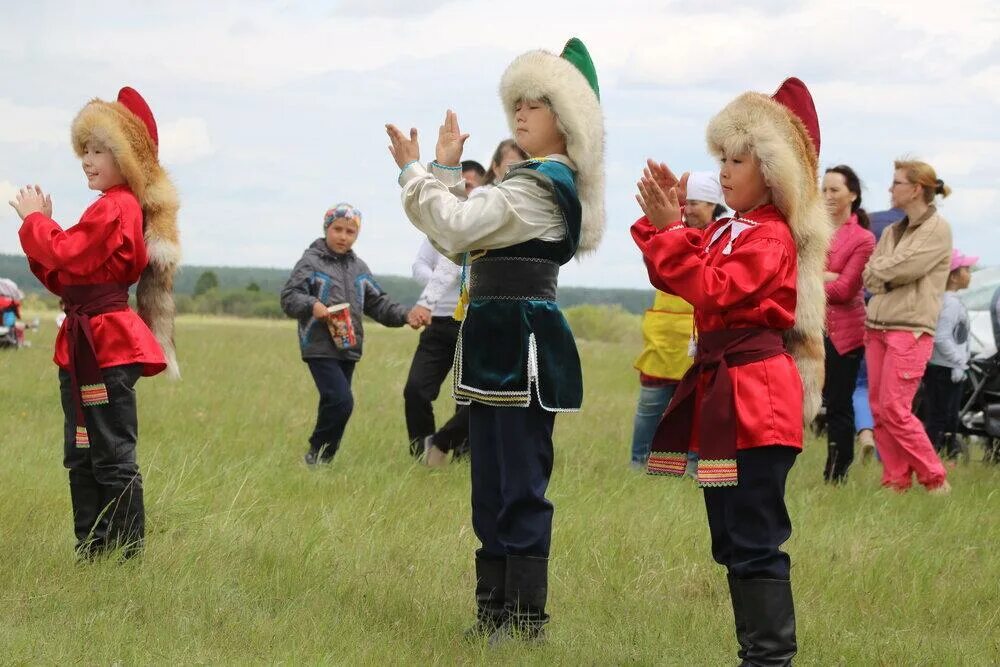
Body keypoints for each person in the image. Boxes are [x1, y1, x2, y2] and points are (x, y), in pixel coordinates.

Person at [386, 37, 604, 642]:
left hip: (522, 346)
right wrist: (449, 172)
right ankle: (493, 618)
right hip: (496, 341)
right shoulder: (529, 182)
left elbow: (456, 226)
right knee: (490, 483)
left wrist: (416, 171)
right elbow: (469, 232)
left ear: (568, 118)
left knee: (518, 485)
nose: (521, 114)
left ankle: (524, 624)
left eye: (536, 104)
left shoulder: (543, 184)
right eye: (519, 104)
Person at [632, 77, 830, 665]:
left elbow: (711, 288)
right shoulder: (732, 227)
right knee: (732, 534)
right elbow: (676, 272)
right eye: (721, 158)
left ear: (773, 171)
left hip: (756, 397)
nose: (724, 171)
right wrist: (661, 222)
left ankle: (769, 659)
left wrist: (670, 230)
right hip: (731, 390)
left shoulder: (769, 237)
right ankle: (758, 654)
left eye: (737, 159)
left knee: (753, 533)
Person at [9, 86, 180, 559]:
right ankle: (94, 551)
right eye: (84, 149)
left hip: (106, 346)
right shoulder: (108, 206)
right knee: (84, 452)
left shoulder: (116, 205)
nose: (87, 159)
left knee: (110, 455)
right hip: (87, 342)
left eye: (99, 149)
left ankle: (123, 555)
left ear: (126, 158)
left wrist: (34, 222)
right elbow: (67, 274)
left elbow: (65, 251)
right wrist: (41, 234)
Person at [280, 203, 424, 466]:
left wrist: (405, 315)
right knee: (341, 401)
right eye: (337, 229)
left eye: (350, 231)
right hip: (318, 344)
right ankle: (317, 454)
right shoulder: (310, 262)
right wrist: (313, 305)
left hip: (349, 347)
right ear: (327, 228)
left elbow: (378, 303)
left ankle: (320, 461)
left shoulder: (359, 268)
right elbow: (290, 297)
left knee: (332, 403)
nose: (343, 236)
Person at [863, 159, 953, 493]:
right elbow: (871, 273)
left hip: (910, 329)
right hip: (877, 326)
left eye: (896, 182)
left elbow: (903, 269)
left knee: (894, 408)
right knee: (879, 409)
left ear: (916, 189)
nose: (890, 188)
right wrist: (885, 273)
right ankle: (895, 480)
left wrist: (884, 273)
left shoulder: (938, 228)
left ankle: (934, 478)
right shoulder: (891, 231)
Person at [629, 172, 725, 472]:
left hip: (701, 339)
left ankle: (694, 464)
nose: (692, 209)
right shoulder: (671, 234)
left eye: (699, 203)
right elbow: (653, 257)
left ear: (715, 207)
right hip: (665, 338)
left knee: (698, 407)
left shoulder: (722, 239)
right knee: (650, 405)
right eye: (689, 203)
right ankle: (639, 461)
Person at [404, 161, 486, 467]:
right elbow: (418, 267)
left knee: (469, 397)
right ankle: (421, 455)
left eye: (471, 186)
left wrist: (456, 280)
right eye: (459, 185)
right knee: (415, 390)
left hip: (474, 321)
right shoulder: (436, 232)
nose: (465, 191)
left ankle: (460, 453)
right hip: (437, 318)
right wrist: (440, 283)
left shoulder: (488, 230)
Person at [821, 165, 876, 483]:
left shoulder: (863, 238)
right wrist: (826, 276)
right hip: (810, 327)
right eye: (824, 189)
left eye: (834, 190)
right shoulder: (810, 229)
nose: (827, 196)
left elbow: (844, 290)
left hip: (845, 333)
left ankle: (836, 475)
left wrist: (812, 279)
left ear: (852, 195)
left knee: (839, 405)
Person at [922, 249, 976, 459]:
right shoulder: (950, 304)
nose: (969, 274)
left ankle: (943, 457)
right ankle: (932, 457)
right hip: (944, 369)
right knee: (941, 417)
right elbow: (942, 336)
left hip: (946, 367)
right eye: (966, 270)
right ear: (953, 276)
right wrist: (959, 361)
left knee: (946, 416)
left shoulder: (948, 300)